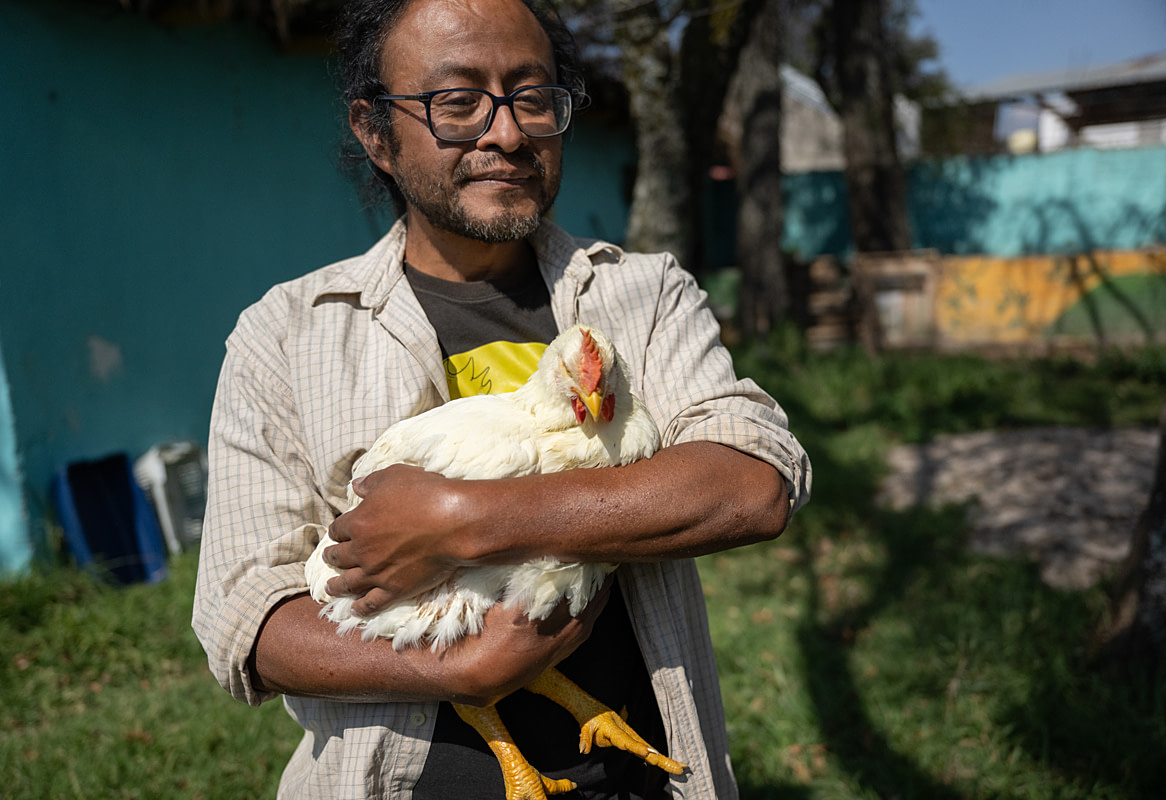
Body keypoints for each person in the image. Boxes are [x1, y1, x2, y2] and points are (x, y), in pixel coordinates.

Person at [192, 0, 811, 797]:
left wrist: (462, 518)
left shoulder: (642, 296)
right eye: (457, 103)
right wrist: (459, 666)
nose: (509, 133)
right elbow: (248, 620)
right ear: (376, 132)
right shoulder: (287, 336)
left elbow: (750, 486)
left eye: (533, 97)